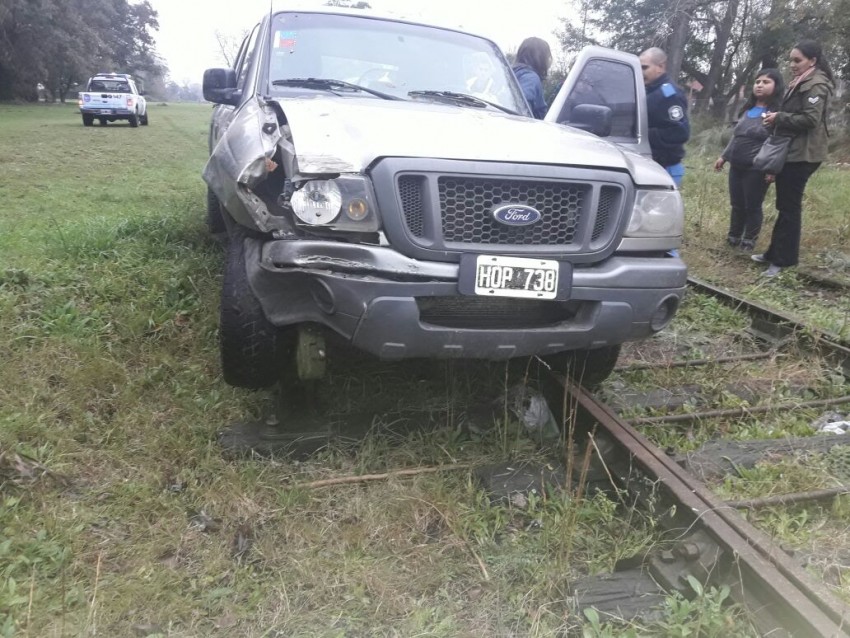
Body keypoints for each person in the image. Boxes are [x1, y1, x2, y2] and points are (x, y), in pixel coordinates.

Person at [753, 40, 834, 277]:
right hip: (793, 150)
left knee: (789, 207)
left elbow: (811, 120)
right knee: (784, 204)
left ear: (813, 60)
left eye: (797, 60)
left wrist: (779, 117)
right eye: (791, 60)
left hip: (804, 154)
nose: (792, 64)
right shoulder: (801, 81)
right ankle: (773, 252)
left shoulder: (816, 84)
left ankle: (784, 259)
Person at [714, 68, 785, 252]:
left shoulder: (776, 114)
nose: (760, 85)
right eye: (757, 81)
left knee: (752, 205)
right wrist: (724, 156)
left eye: (766, 82)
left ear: (776, 87)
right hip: (736, 165)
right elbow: (736, 136)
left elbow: (778, 143)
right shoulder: (747, 109)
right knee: (736, 204)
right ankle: (733, 236)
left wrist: (772, 169)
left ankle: (749, 240)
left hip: (757, 168)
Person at [639, 47, 690, 187]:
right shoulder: (650, 91)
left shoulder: (669, 94)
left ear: (660, 67)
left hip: (665, 168)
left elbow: (680, 132)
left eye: (644, 67)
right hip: (652, 166)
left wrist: (641, 134)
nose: (641, 72)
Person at [512, 37, 552, 119]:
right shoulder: (530, 78)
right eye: (548, 56)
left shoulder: (510, 73)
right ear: (541, 57)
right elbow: (521, 109)